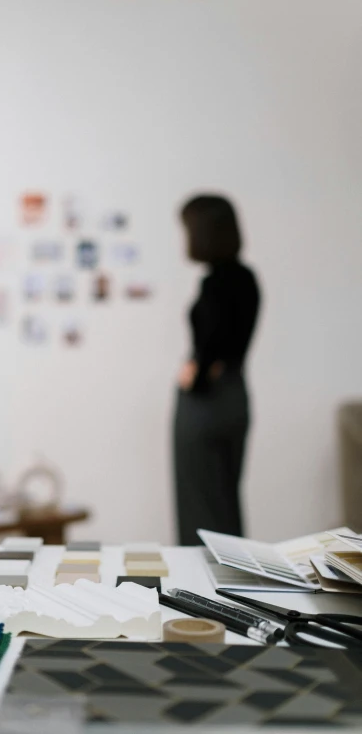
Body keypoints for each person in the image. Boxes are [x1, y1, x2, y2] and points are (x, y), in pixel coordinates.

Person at [174, 195, 260, 545]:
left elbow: (213, 342)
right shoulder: (247, 278)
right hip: (235, 397)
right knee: (224, 502)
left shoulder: (215, 283)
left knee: (199, 508)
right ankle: (231, 591)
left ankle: (199, 597)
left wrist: (195, 372)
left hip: (207, 404)